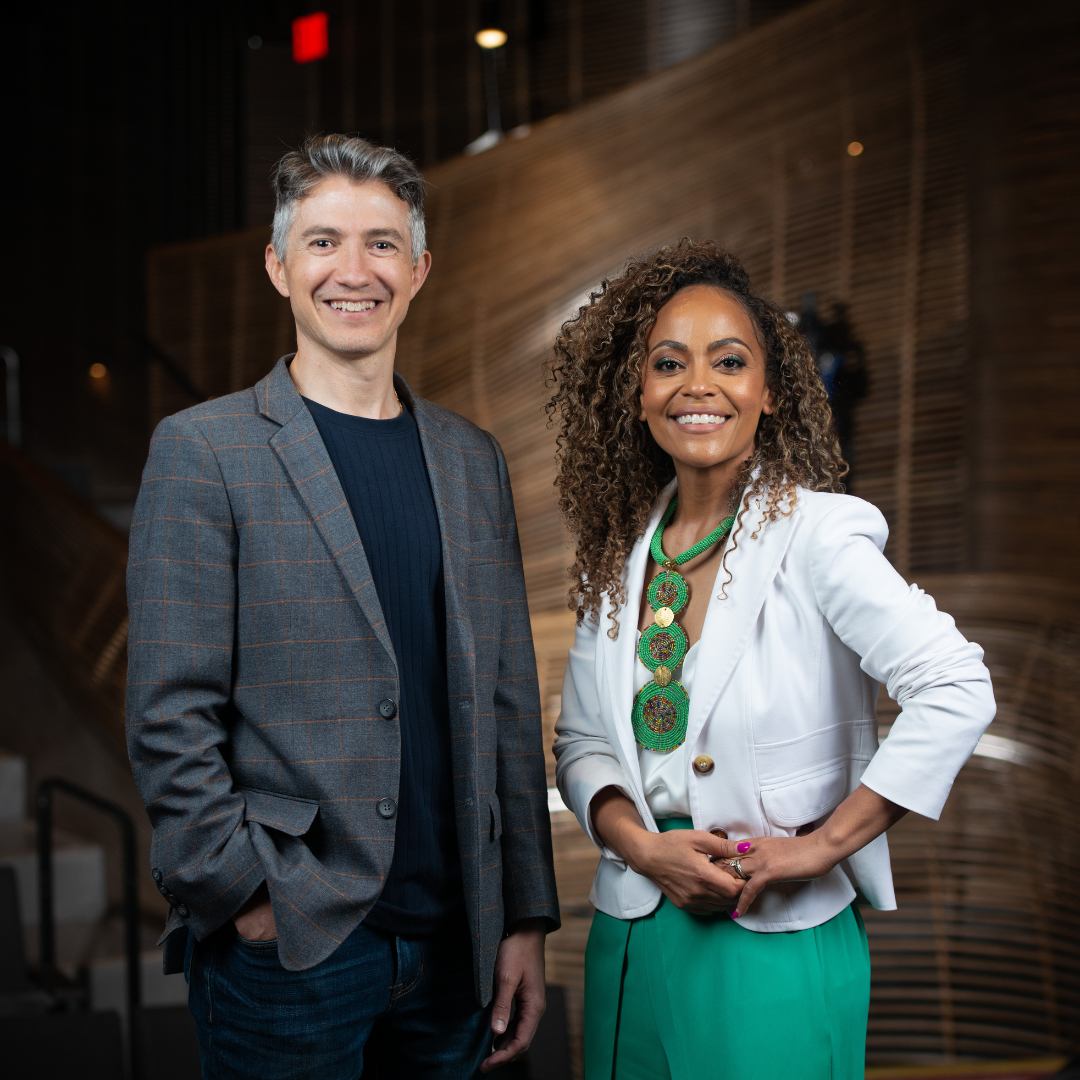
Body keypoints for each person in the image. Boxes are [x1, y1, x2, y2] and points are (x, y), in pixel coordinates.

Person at [126, 134, 559, 1079]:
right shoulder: (205, 451)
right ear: (280, 266)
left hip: (458, 950)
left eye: (381, 244)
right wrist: (243, 893)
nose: (352, 271)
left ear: (419, 269)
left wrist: (523, 914)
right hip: (292, 948)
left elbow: (507, 706)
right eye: (323, 243)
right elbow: (169, 712)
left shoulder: (472, 458)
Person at [548, 239, 995, 1080]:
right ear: (636, 394)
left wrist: (822, 846)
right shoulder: (616, 559)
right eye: (669, 363)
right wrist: (642, 850)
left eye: (729, 361)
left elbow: (955, 686)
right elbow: (581, 746)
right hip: (632, 935)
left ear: (771, 393)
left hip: (773, 935)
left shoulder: (821, 535)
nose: (699, 385)